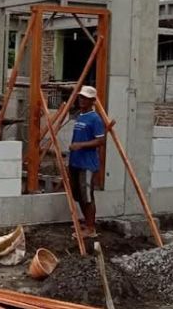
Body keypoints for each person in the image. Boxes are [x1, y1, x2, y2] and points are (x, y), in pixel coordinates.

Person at [66, 85, 105, 238]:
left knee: (87, 196)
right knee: (79, 195)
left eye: (86, 98)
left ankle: (90, 228)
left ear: (92, 101)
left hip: (87, 165)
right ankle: (87, 222)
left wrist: (80, 145)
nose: (81, 100)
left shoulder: (95, 119)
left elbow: (100, 141)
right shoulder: (80, 116)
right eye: (81, 97)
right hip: (76, 162)